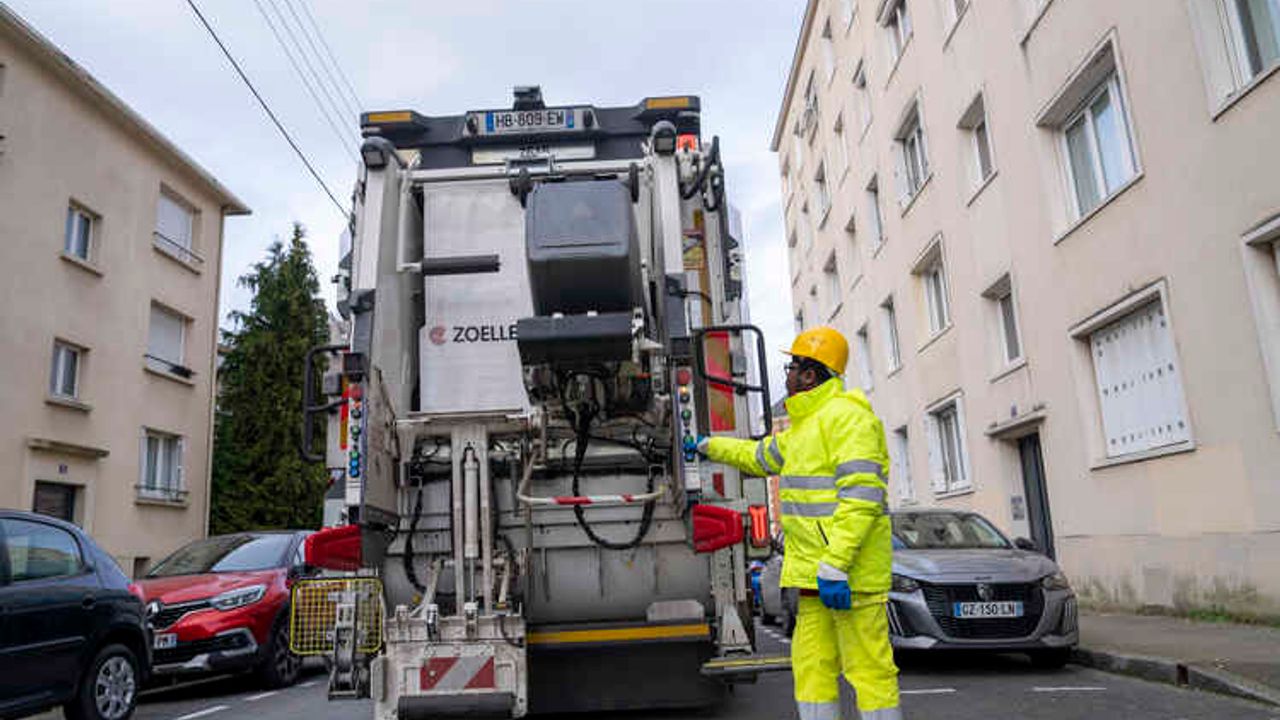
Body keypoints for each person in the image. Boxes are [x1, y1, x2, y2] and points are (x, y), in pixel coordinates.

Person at [696, 326, 901, 720]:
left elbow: (861, 498)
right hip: (813, 579)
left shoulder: (848, 419)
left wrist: (836, 563)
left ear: (810, 374)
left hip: (849, 578)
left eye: (792, 366)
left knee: (870, 673)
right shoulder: (804, 428)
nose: (786, 374)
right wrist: (708, 446)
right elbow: (758, 456)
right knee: (813, 671)